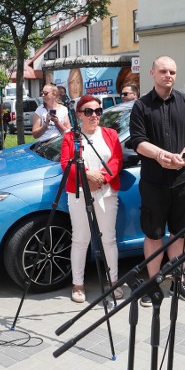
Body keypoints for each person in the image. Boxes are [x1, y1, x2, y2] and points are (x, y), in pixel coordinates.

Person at [128, 56, 185, 306]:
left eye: (172, 71)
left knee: (180, 235)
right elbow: (138, 141)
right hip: (154, 182)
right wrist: (159, 155)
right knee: (153, 235)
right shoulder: (140, 106)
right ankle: (152, 284)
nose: (168, 75)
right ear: (152, 73)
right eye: (163, 71)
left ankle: (178, 282)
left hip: (184, 181)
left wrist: (183, 157)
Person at [60, 95, 123, 303]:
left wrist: (103, 178)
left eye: (97, 111)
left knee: (109, 239)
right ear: (79, 115)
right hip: (79, 191)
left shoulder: (110, 134)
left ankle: (113, 281)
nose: (94, 115)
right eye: (88, 111)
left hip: (105, 191)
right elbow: (66, 163)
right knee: (80, 239)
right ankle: (78, 284)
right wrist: (87, 175)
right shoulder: (71, 136)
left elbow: (116, 160)